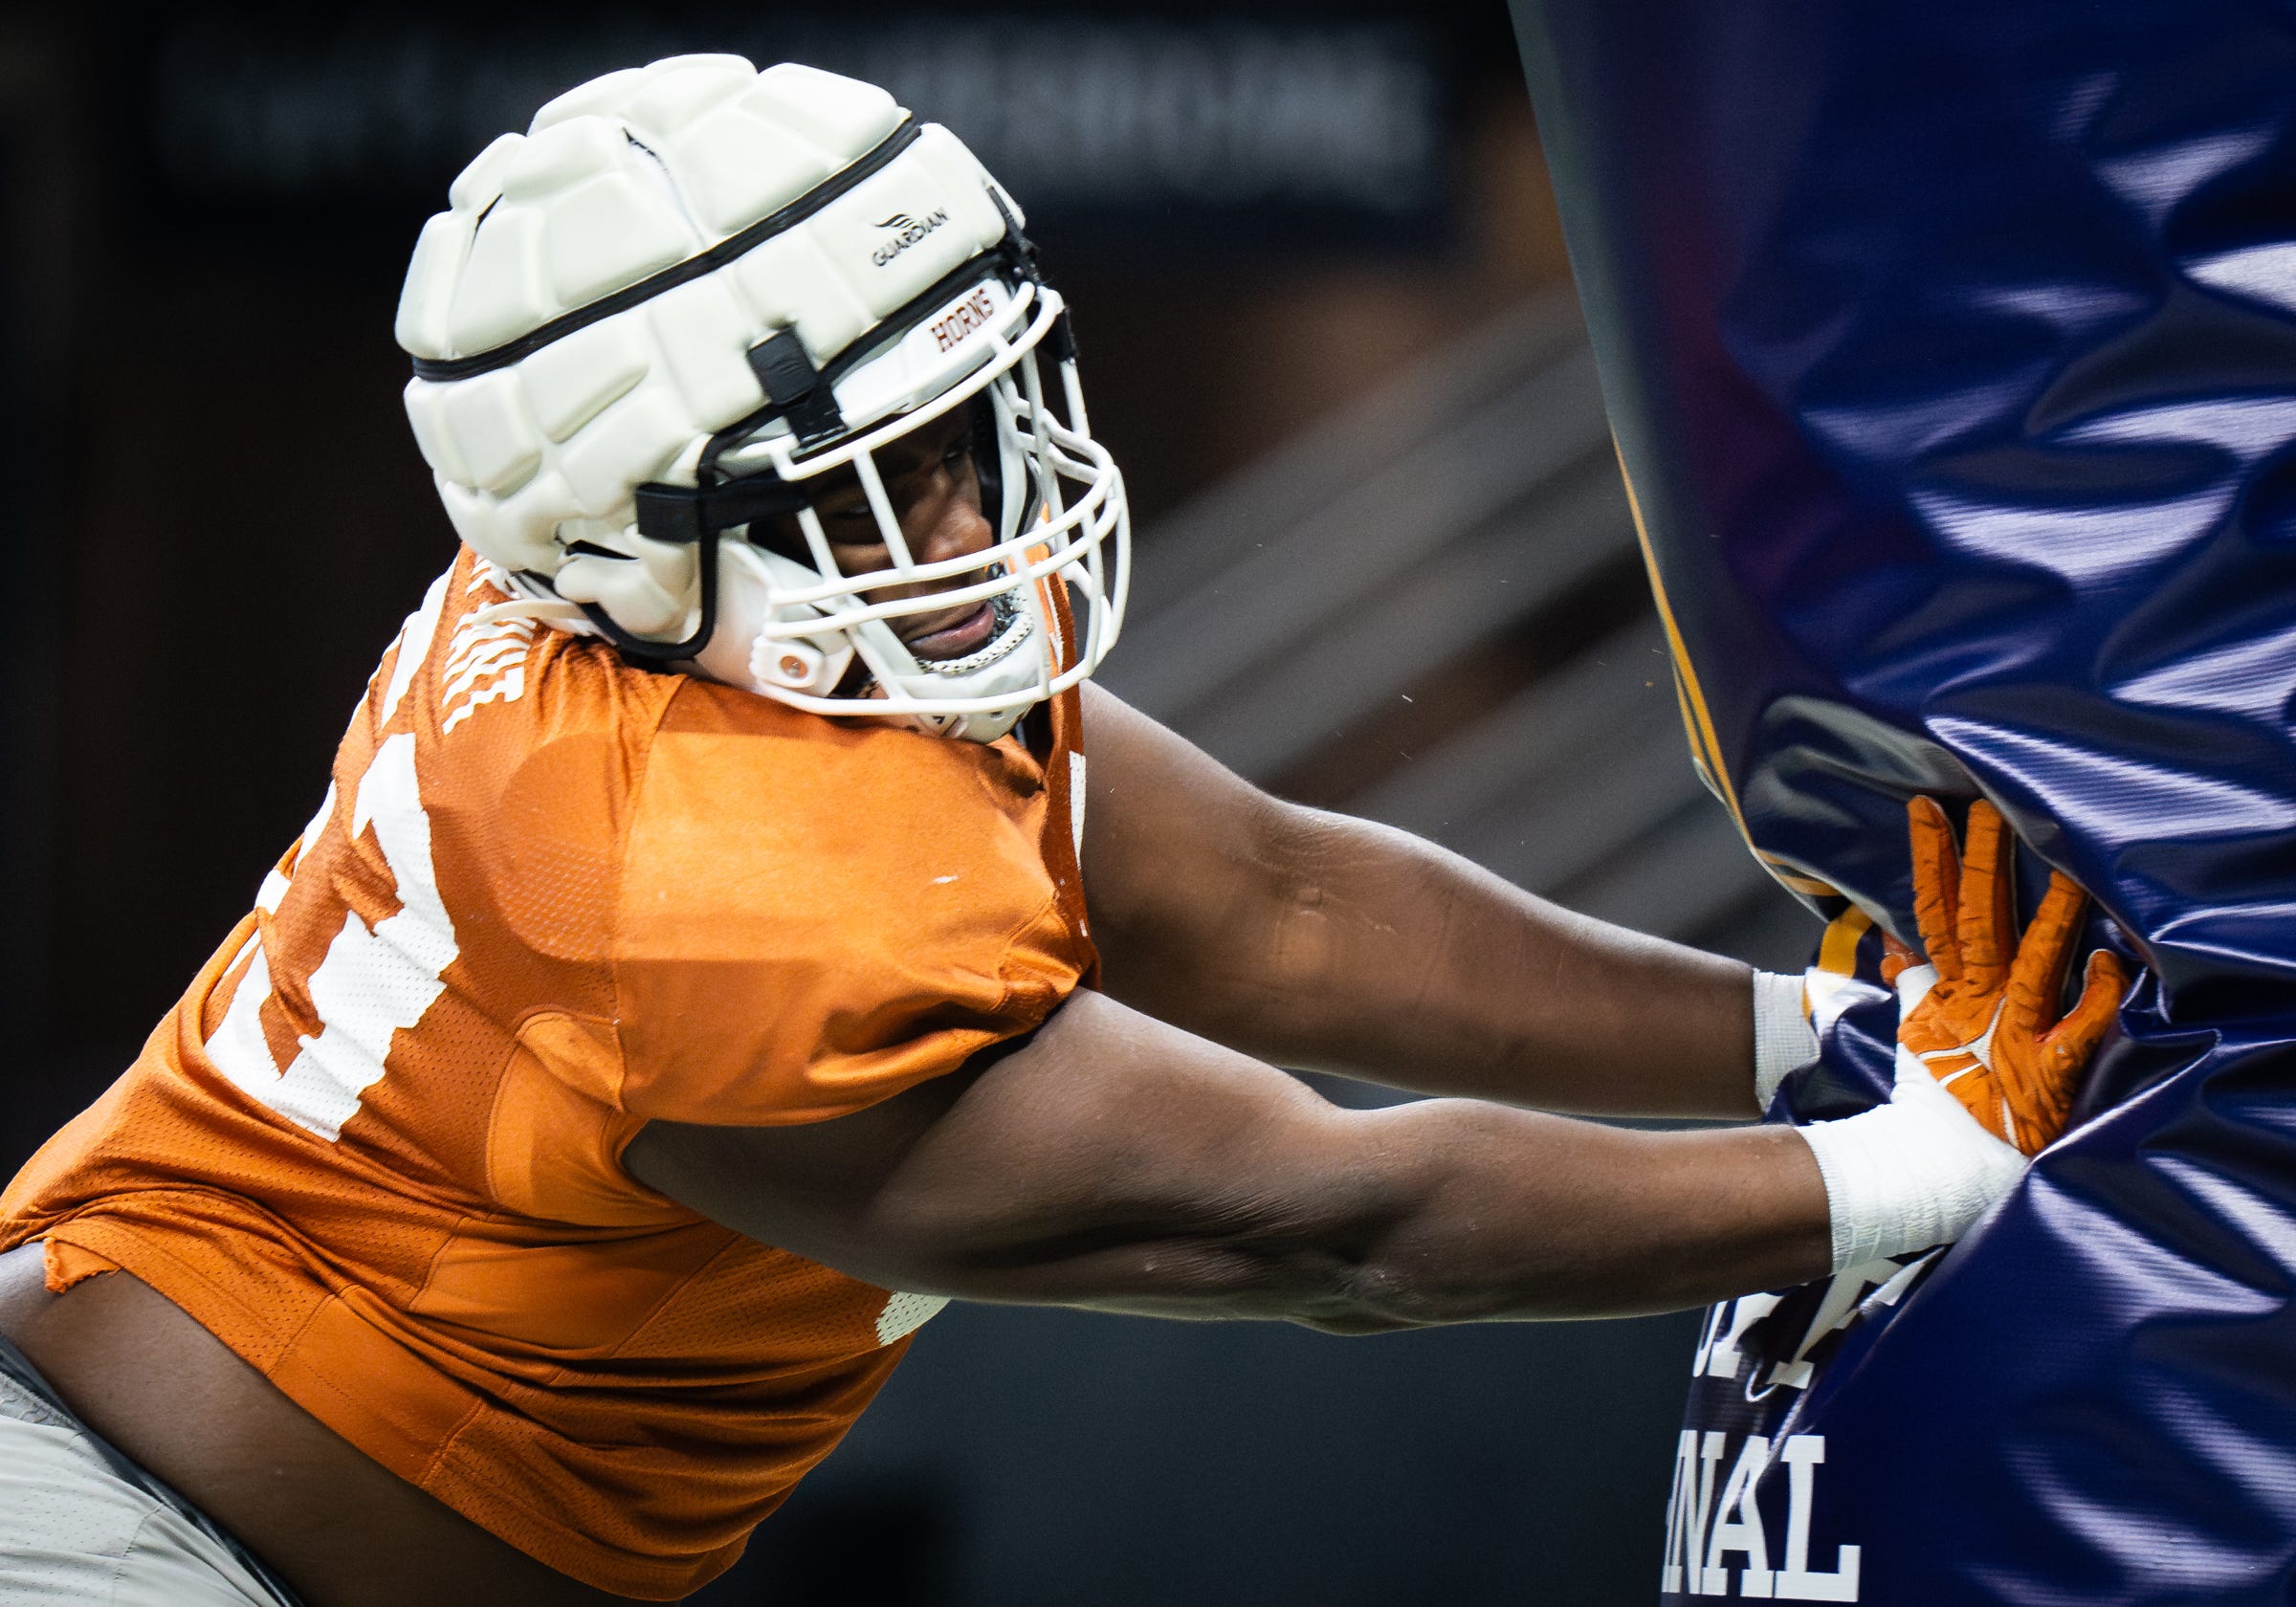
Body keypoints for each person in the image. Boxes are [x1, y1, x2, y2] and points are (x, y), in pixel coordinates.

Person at [0, 57, 2127, 1607]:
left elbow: (1285, 904)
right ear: (638, 548)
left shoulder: (719, 632)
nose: (978, 518)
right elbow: (1330, 1225)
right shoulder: (684, 891)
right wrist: (1894, 1173)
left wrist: (1798, 1034)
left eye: (977, 421)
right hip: (132, 1546)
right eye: (887, 480)